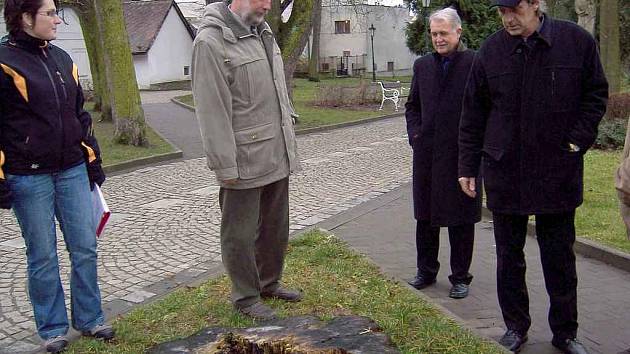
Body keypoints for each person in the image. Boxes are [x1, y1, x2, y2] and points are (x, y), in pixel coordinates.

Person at [458, 0, 608, 353]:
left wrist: (576, 141)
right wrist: (467, 166)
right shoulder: (491, 51)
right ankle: (515, 326)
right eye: (502, 10)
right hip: (505, 168)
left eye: (516, 8)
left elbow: (595, 95)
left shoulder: (576, 42)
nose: (508, 17)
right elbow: (473, 112)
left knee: (559, 258)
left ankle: (565, 333)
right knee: (509, 256)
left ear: (536, 4)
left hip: (557, 170)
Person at [0, 0, 114, 352]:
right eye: (50, 13)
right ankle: (52, 330)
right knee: (43, 256)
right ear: (24, 17)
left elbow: (80, 115)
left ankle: (90, 318)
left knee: (85, 246)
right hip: (27, 176)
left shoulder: (63, 58)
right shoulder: (4, 61)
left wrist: (91, 159)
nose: (57, 20)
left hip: (71, 170)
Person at [191, 0, 301, 321]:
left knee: (275, 227)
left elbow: (277, 93)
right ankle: (246, 296)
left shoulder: (262, 32)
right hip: (243, 160)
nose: (269, 5)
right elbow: (212, 113)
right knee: (239, 233)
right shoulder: (211, 42)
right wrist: (224, 165)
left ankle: (269, 283)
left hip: (275, 152)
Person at [404, 7, 480, 300]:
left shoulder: (474, 63)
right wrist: (415, 135)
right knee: (425, 216)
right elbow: (413, 106)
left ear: (458, 32)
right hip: (427, 154)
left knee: (461, 218)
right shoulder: (423, 66)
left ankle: (460, 276)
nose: (438, 39)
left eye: (443, 33)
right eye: (434, 34)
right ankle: (426, 270)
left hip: (462, 155)